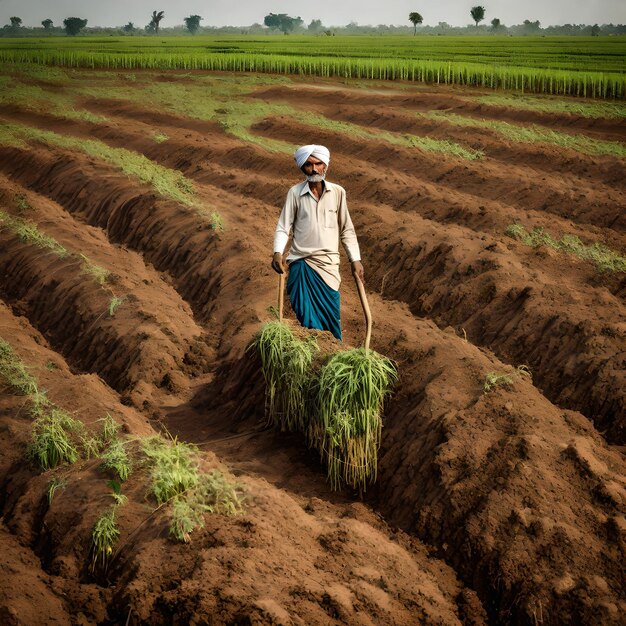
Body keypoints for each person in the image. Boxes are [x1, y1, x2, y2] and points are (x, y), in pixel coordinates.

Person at [272, 144, 364, 341]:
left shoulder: (338, 192)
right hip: (301, 262)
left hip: (329, 264)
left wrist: (355, 259)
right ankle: (314, 347)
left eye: (318, 164)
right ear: (302, 168)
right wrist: (277, 252)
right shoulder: (295, 193)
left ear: (326, 165)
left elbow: (347, 229)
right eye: (308, 165)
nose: (314, 169)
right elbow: (283, 226)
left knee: (331, 315)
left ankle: (332, 349)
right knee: (306, 317)